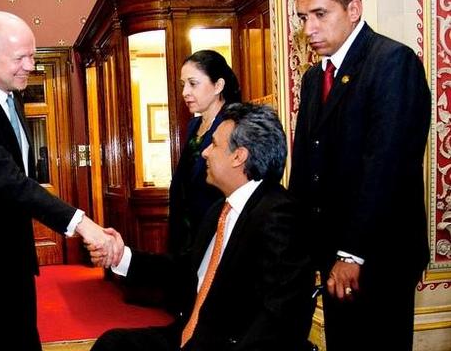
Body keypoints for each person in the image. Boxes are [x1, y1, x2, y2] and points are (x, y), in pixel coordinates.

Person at [0, 11, 119, 350]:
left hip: (10, 259)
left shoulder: (11, 99)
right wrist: (82, 224)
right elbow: (10, 183)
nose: (30, 65)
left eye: (32, 55)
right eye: (21, 57)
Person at [90, 103, 315, 351]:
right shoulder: (220, 209)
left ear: (238, 156)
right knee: (113, 345)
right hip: (192, 333)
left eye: (215, 144)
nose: (205, 152)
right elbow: (185, 272)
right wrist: (122, 257)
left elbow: (280, 317)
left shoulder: (279, 216)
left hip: (229, 344)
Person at [289, 0, 431, 351]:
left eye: (320, 15)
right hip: (331, 256)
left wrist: (353, 252)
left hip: (378, 258)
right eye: (304, 18)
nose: (309, 30)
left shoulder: (392, 63)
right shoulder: (314, 78)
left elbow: (387, 168)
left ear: (353, 9)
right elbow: (306, 167)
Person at [169, 49, 241, 255]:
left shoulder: (233, 125)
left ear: (218, 85)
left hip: (217, 232)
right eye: (183, 85)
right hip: (186, 233)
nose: (185, 92)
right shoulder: (193, 125)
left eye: (193, 83)